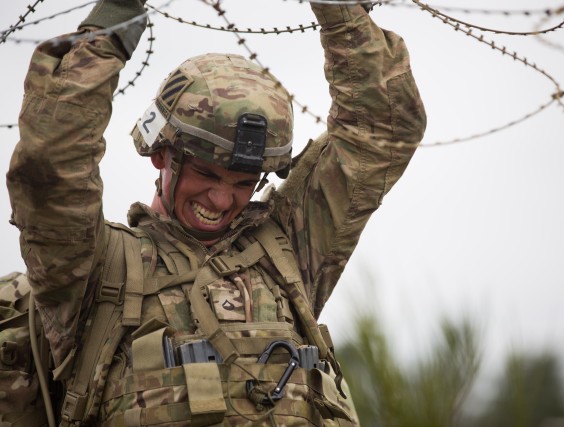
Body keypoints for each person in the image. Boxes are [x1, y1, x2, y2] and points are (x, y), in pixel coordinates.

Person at [6, 0, 426, 425]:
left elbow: (381, 130)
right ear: (162, 155)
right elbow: (51, 165)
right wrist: (115, 20)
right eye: (205, 174)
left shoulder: (289, 252)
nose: (222, 201)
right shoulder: (92, 271)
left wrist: (340, 12)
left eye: (244, 183)